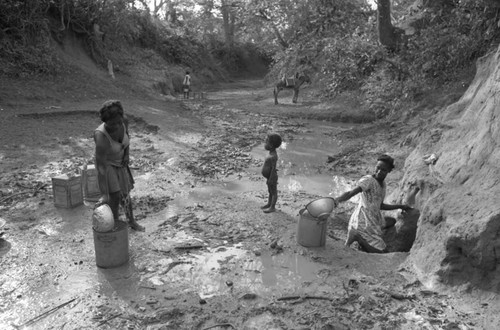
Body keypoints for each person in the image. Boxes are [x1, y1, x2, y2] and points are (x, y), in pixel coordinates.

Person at [332, 154, 411, 253]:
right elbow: (351, 193)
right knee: (383, 252)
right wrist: (337, 200)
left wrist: (400, 206)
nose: (379, 172)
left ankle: (360, 237)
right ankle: (359, 238)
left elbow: (380, 205)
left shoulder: (383, 185)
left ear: (389, 171)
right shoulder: (368, 180)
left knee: (391, 221)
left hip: (373, 217)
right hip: (363, 219)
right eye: (377, 168)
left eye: (383, 170)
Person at [94, 100, 145, 232]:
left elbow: (127, 137)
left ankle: (132, 221)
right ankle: (114, 225)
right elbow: (100, 168)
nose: (116, 127)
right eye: (111, 124)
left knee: (126, 194)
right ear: (105, 122)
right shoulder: (101, 137)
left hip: (121, 161)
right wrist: (104, 194)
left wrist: (127, 154)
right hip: (108, 164)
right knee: (115, 196)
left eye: (118, 122)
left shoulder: (124, 122)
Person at [261, 133, 282, 213]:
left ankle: (272, 207)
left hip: (272, 177)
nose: (264, 143)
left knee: (273, 192)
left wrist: (271, 178)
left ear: (271, 145)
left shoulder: (273, 156)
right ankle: (269, 204)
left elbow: (273, 169)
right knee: (270, 191)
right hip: (269, 176)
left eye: (266, 142)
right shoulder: (271, 153)